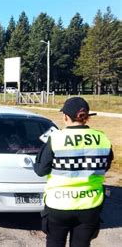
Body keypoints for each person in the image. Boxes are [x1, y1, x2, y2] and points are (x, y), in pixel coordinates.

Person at [33, 97, 113, 247]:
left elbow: (41, 171)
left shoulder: (56, 138)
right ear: (87, 117)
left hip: (59, 204)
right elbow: (105, 166)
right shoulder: (102, 138)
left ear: (65, 117)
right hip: (90, 205)